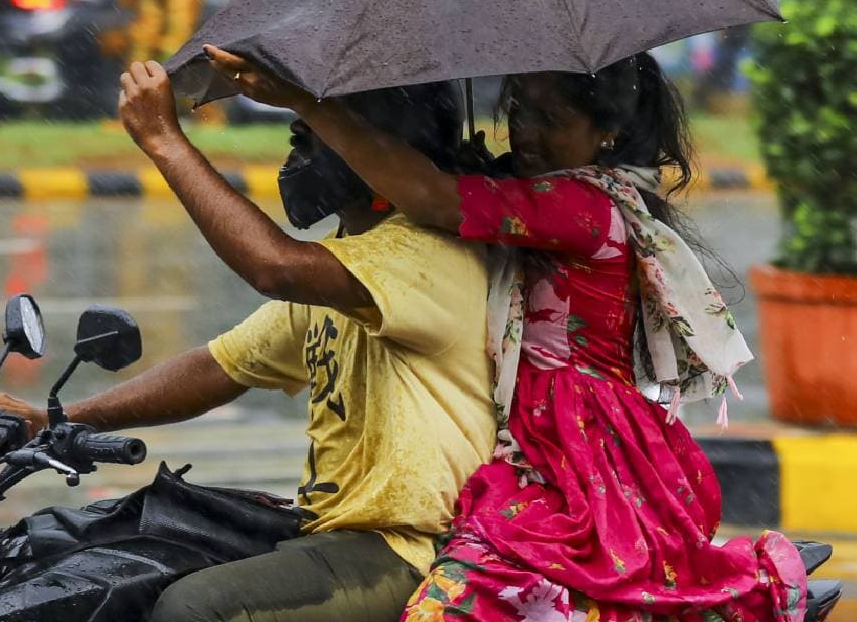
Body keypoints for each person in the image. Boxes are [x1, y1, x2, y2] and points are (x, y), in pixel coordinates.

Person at [209, 45, 807, 622]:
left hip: (583, 441)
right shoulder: (535, 190)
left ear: (606, 135)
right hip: (533, 431)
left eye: (552, 120)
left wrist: (307, 103)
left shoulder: (582, 203)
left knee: (469, 600)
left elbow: (432, 199)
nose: (528, 135)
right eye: (520, 113)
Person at [0, 61, 496, 621]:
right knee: (119, 552)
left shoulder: (425, 255)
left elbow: (274, 266)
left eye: (308, 140)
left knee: (194, 610)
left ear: (376, 146)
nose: (296, 161)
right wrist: (60, 420)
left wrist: (165, 142)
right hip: (330, 530)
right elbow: (221, 367)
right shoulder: (355, 256)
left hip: (409, 550)